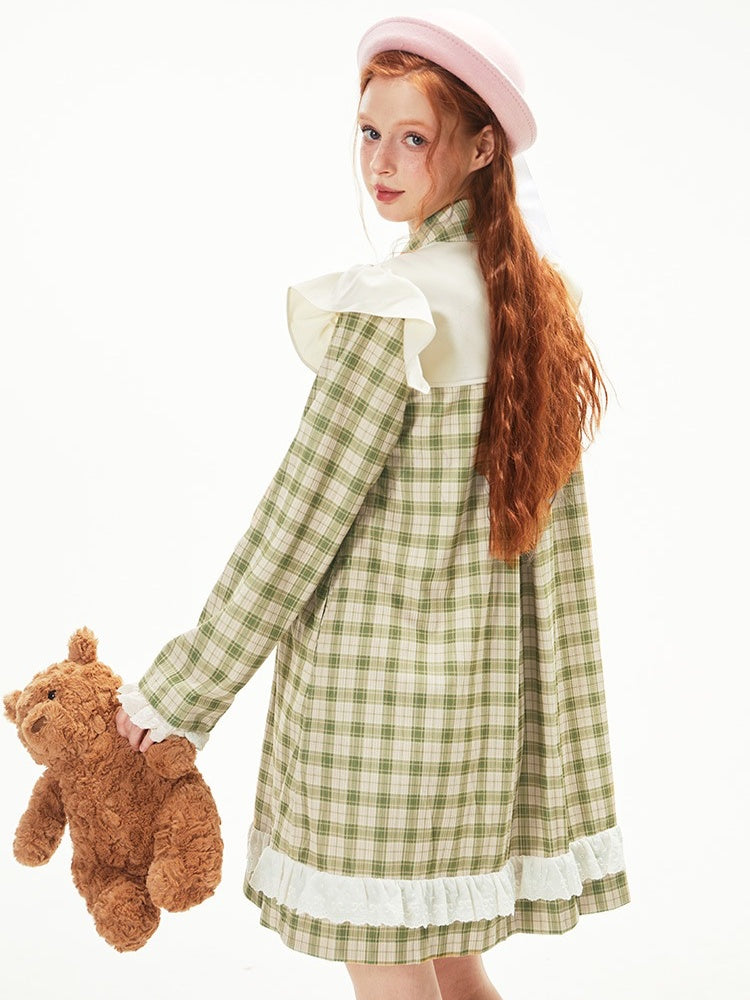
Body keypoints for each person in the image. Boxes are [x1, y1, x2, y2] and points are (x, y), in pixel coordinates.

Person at [116, 8, 631, 999]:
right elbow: (555, 563)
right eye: (368, 131)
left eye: (413, 137)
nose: (381, 162)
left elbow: (297, 524)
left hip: (374, 714)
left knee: (390, 966)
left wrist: (183, 691)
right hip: (478, 714)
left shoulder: (398, 304)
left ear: (482, 148)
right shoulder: (530, 303)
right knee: (453, 963)